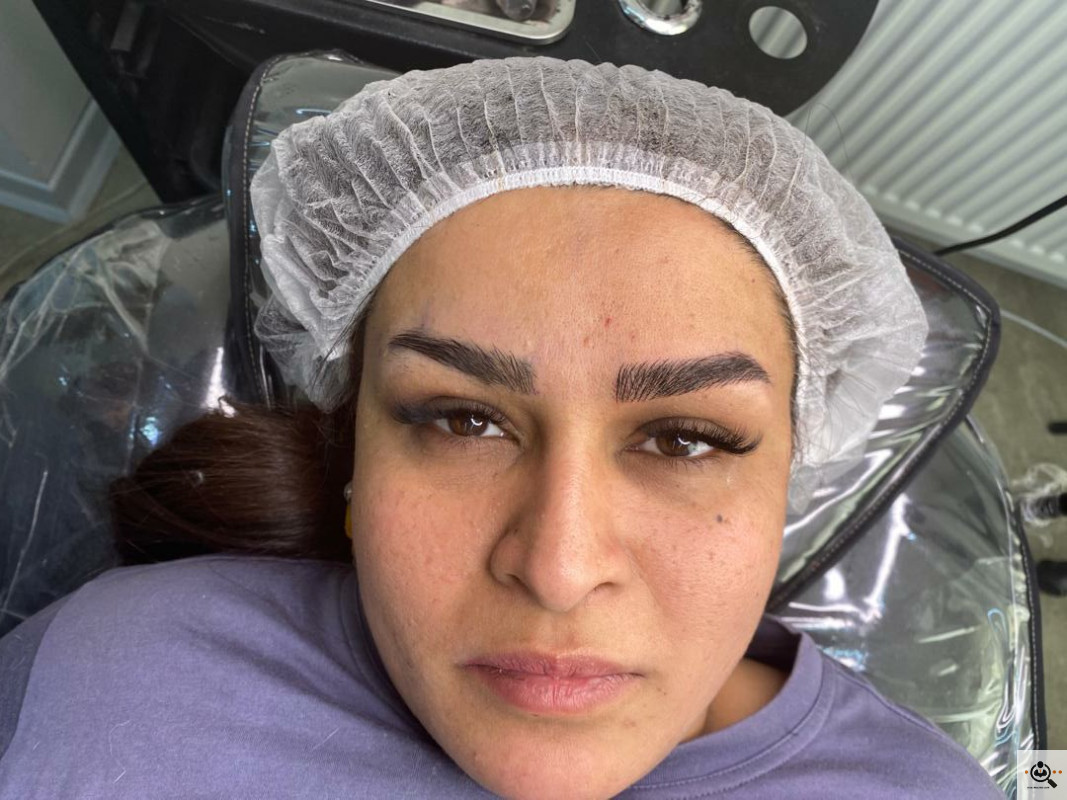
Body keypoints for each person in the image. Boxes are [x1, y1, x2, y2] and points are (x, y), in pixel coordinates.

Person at [0, 57, 1003, 798]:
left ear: (791, 468)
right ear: (352, 451)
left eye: (683, 438)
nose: (558, 570)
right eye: (461, 418)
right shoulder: (101, 685)